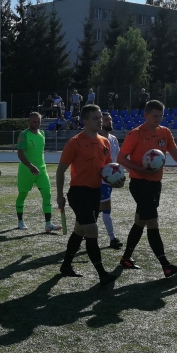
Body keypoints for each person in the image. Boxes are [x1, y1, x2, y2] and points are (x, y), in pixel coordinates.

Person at [116, 100, 177, 278]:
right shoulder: (135, 134)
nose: (158, 119)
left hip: (155, 183)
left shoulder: (165, 132)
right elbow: (121, 158)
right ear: (146, 115)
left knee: (140, 221)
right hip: (139, 183)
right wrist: (138, 168)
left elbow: (176, 154)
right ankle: (165, 265)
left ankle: (126, 257)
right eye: (155, 116)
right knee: (152, 222)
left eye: (161, 116)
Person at [56, 104, 123, 285]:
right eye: (95, 118)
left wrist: (115, 181)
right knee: (92, 231)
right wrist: (59, 195)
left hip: (95, 193)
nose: (100, 120)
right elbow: (60, 170)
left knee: (79, 230)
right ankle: (102, 274)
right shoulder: (74, 143)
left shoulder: (105, 142)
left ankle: (66, 265)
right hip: (78, 194)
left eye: (100, 117)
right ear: (85, 121)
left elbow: (107, 170)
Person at [15, 112, 62, 232]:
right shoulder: (24, 134)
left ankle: (48, 223)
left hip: (41, 170)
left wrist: (37, 167)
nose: (36, 123)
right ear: (29, 122)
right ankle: (20, 221)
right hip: (26, 171)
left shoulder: (42, 133)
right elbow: (20, 153)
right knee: (22, 196)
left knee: (47, 195)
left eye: (38, 121)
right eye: (34, 121)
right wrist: (30, 166)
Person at [98, 112, 122, 249]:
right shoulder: (96, 139)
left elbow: (117, 158)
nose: (109, 122)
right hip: (99, 181)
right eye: (106, 120)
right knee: (106, 207)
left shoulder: (113, 138)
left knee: (97, 209)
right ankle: (113, 238)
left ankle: (84, 229)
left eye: (110, 119)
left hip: (110, 180)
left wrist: (120, 174)